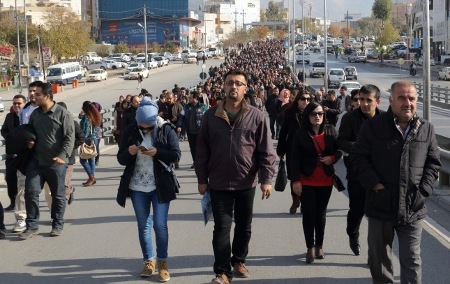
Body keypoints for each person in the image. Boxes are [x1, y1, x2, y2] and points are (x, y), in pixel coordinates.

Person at [351, 81, 441, 284]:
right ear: (391, 101)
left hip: (413, 207)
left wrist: (423, 192)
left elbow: (433, 164)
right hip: (380, 205)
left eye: (411, 98)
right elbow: (358, 158)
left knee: (412, 261)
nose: (407, 103)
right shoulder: (373, 126)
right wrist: (375, 185)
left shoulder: (426, 129)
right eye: (401, 98)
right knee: (380, 263)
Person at [196, 70, 276, 284]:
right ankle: (222, 272)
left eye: (239, 83)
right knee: (221, 227)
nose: (234, 86)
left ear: (245, 88)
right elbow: (201, 150)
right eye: (230, 82)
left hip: (246, 181)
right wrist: (202, 179)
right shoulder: (210, 116)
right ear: (223, 86)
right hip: (219, 181)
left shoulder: (256, 116)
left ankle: (239, 259)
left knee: (243, 225)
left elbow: (266, 151)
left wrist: (267, 179)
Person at [116, 97, 181, 282]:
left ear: (155, 122)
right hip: (137, 186)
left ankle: (162, 263)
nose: (145, 131)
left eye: (149, 128)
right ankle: (148, 261)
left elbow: (176, 155)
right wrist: (128, 152)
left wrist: (157, 152)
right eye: (142, 127)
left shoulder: (166, 129)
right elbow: (120, 159)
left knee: (160, 225)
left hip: (160, 185)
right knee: (143, 225)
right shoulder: (130, 130)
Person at [19, 81, 75, 240]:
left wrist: (62, 156)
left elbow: (70, 138)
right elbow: (30, 133)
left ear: (47, 96)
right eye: (30, 92)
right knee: (30, 192)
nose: (32, 96)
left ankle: (57, 223)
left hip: (56, 163)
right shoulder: (35, 114)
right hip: (36, 162)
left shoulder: (63, 114)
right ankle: (32, 225)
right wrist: (30, 141)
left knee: (57, 195)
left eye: (36, 93)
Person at [290, 101, 342, 263]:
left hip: (325, 180)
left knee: (321, 214)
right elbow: (294, 159)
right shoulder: (300, 134)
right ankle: (309, 247)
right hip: (306, 180)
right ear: (308, 116)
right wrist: (295, 180)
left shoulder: (331, 131)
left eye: (320, 113)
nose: (317, 117)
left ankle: (319, 245)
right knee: (309, 213)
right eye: (314, 114)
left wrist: (331, 158)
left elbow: (339, 149)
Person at [337, 84, 383, 256]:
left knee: (377, 217)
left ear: (377, 101)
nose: (364, 103)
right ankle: (353, 234)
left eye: (368, 100)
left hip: (380, 176)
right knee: (357, 210)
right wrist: (361, 147)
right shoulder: (350, 118)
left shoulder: (386, 119)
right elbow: (341, 141)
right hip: (357, 175)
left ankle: (374, 253)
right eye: (361, 99)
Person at [277, 90, 311, 214]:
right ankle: (295, 200)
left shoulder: (314, 113)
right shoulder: (290, 113)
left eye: (308, 99)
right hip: (292, 148)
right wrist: (280, 149)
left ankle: (304, 201)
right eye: (303, 98)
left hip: (308, 149)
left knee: (306, 176)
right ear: (297, 100)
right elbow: (283, 132)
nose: (305, 101)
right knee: (294, 176)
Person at [1, 94, 26, 212]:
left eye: (19, 103)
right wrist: (9, 137)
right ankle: (12, 202)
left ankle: (24, 204)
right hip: (11, 155)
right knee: (10, 179)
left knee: (24, 182)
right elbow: (4, 130)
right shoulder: (9, 116)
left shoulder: (28, 116)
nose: (16, 106)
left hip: (25, 154)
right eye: (14, 103)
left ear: (24, 104)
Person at [177, 90, 207, 169]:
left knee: (200, 148)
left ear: (195, 98)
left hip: (200, 131)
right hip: (190, 131)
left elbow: (207, 119)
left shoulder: (203, 107)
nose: (188, 99)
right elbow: (181, 117)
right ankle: (195, 162)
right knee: (192, 148)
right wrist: (179, 126)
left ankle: (202, 162)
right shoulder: (186, 107)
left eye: (190, 97)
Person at [79, 101, 102, 187]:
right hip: (94, 139)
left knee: (83, 160)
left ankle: (91, 177)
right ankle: (92, 177)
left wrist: (81, 140)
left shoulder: (86, 117)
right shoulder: (94, 115)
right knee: (91, 159)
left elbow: (86, 130)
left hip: (88, 140)